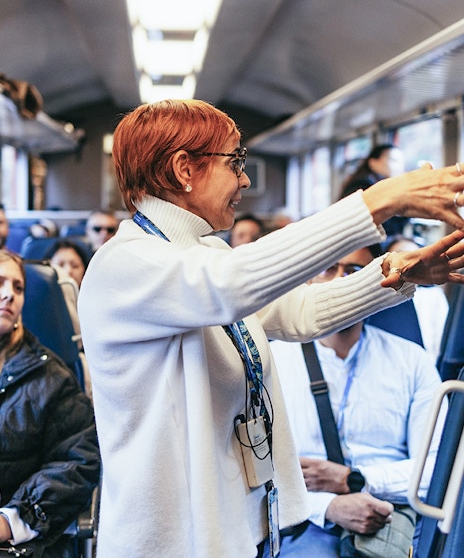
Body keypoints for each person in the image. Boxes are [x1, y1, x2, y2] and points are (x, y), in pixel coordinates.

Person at [77, 99, 464, 558]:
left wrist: (397, 274)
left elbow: (301, 312)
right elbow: (230, 287)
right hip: (170, 541)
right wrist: (380, 200)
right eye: (235, 161)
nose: (243, 179)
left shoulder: (206, 256)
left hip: (237, 527)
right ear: (184, 169)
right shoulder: (123, 263)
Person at [270, 244, 447, 557]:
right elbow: (252, 477)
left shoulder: (412, 362)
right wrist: (329, 506)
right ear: (308, 280)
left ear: (375, 284)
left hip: (392, 517)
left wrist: (354, 480)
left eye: (354, 272)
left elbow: (437, 471)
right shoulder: (273, 363)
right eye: (328, 270)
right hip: (304, 520)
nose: (340, 283)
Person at [0, 249, 100, 557]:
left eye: (18, 288)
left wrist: (10, 520)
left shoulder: (52, 378)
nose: (9, 295)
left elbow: (78, 462)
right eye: (0, 283)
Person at [386, 235, 450, 360]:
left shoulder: (433, 297)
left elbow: (441, 342)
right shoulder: (378, 300)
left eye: (414, 257)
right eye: (400, 257)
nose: (407, 264)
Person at [340, 144, 407, 238]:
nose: (399, 167)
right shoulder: (362, 186)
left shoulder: (382, 185)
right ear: (373, 163)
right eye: (393, 160)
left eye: (401, 162)